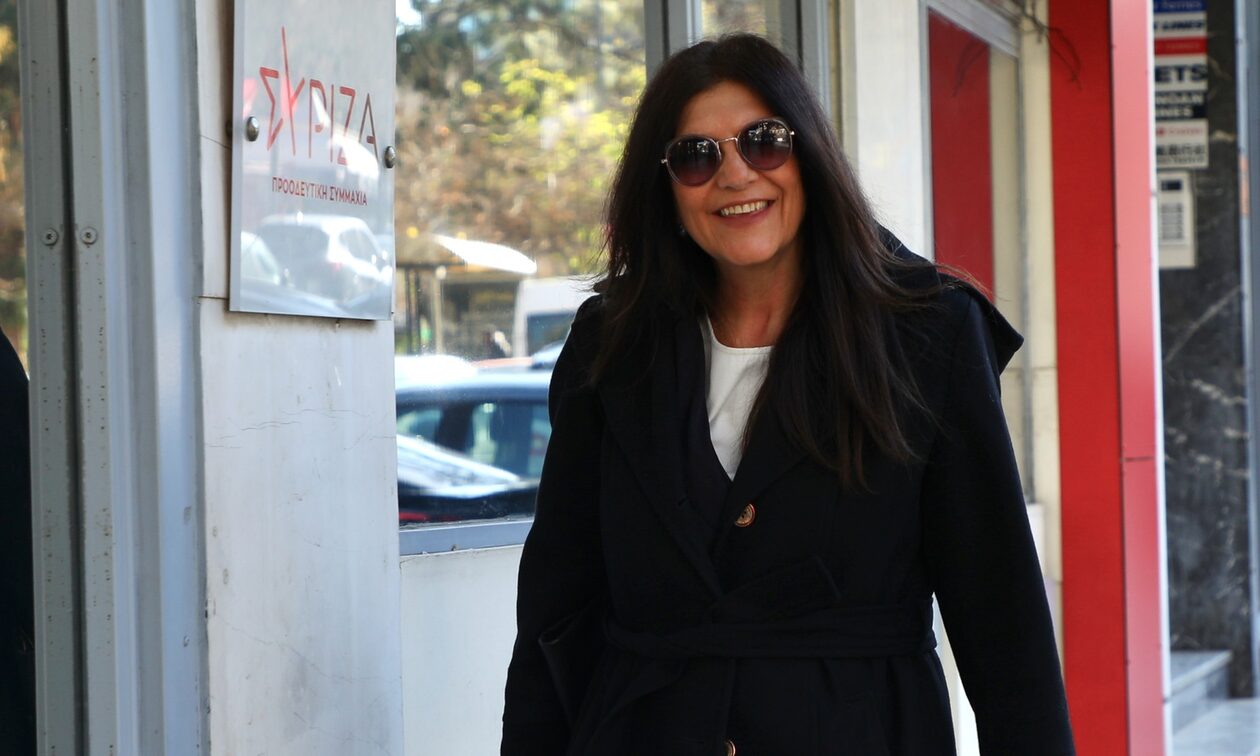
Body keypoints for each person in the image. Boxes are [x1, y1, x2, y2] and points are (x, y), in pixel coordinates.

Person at [502, 34, 1074, 756]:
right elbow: (556, 602)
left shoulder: (927, 334)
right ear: (667, 188)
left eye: (763, 142)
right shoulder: (610, 346)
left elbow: (1004, 626)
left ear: (810, 155)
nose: (736, 174)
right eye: (697, 156)